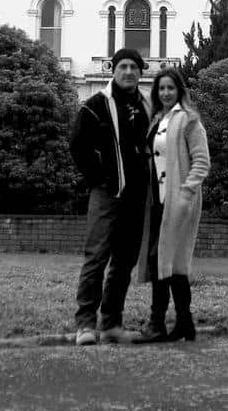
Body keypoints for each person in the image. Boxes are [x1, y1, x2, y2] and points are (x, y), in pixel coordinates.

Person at [69, 48, 153, 346]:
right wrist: (98, 178)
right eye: (123, 66)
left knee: (124, 261)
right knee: (96, 256)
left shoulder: (146, 105)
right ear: (112, 69)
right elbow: (78, 145)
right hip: (106, 193)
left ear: (140, 72)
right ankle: (85, 325)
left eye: (134, 67)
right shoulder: (95, 105)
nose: (129, 72)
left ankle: (111, 325)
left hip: (136, 195)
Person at [138, 68, 210, 342]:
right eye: (161, 89)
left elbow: (202, 162)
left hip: (179, 201)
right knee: (169, 262)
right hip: (157, 201)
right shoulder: (157, 119)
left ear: (180, 90)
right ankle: (184, 324)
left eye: (170, 88)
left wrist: (185, 194)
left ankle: (158, 323)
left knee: (166, 260)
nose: (165, 93)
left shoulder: (189, 120)